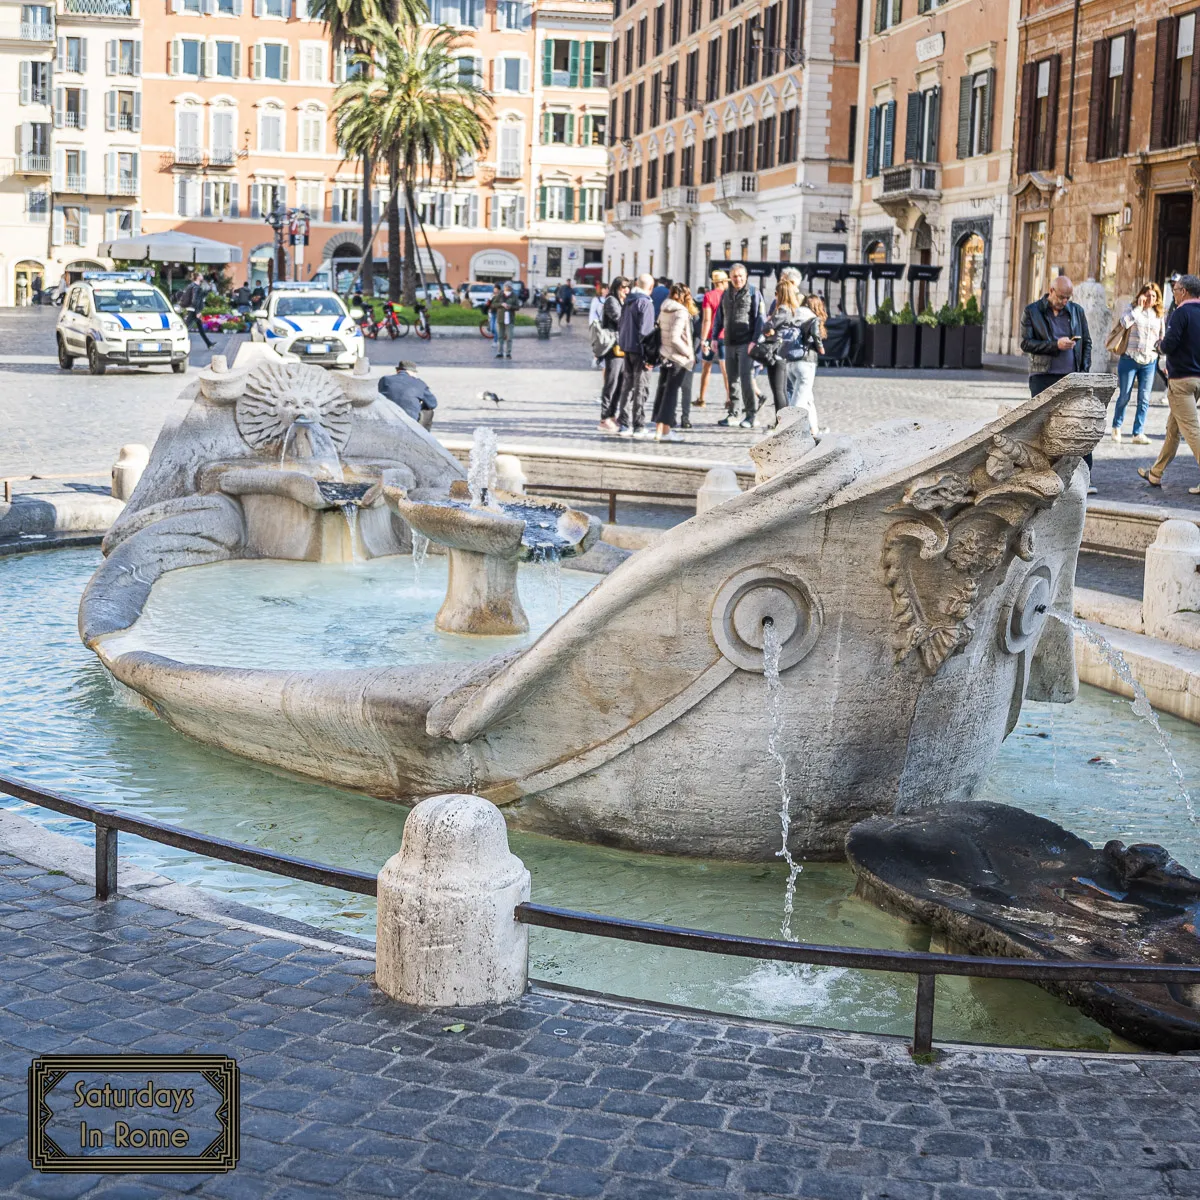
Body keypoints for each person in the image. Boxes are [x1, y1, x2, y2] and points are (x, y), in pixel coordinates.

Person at [1138, 274, 1200, 494]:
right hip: (1197, 380)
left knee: (1192, 430)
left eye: (1175, 290)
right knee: (1173, 429)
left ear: (1183, 291)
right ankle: (1156, 473)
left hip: (1181, 380)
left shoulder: (1181, 312)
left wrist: (1159, 346)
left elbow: (1170, 343)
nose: (1173, 294)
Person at [1111, 283, 1165, 445]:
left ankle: (1138, 432)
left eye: (1154, 296)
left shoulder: (1159, 315)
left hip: (1149, 360)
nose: (1150, 298)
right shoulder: (1132, 308)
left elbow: (1162, 336)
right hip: (1129, 359)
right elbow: (1124, 323)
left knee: (1144, 398)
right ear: (1141, 295)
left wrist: (1160, 354)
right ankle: (1116, 426)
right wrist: (1138, 309)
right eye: (1148, 295)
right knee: (1124, 395)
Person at [712, 262, 763, 428]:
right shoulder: (726, 293)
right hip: (729, 342)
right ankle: (733, 413)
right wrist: (714, 337)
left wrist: (754, 341)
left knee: (747, 380)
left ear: (746, 276)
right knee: (732, 379)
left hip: (746, 342)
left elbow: (759, 319)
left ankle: (751, 415)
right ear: (730, 278)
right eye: (734, 276)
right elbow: (720, 317)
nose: (738, 279)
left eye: (740, 276)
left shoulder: (754, 293)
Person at [652, 283, 698, 442]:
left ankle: (659, 429)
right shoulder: (681, 312)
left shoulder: (664, 308)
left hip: (664, 355)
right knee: (671, 395)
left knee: (663, 392)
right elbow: (675, 337)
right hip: (678, 358)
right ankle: (666, 431)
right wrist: (688, 354)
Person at [615, 273, 656, 438]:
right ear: (650, 288)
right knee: (641, 388)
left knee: (627, 387)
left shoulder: (628, 300)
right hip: (640, 351)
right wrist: (649, 356)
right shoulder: (645, 303)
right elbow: (646, 332)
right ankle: (639, 425)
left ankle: (624, 424)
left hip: (627, 348)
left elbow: (622, 325)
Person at [597, 277, 627, 433]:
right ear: (617, 287)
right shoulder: (611, 301)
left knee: (620, 383)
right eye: (623, 287)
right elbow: (619, 319)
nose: (626, 290)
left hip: (622, 347)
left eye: (628, 287)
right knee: (611, 382)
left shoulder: (621, 301)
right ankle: (604, 417)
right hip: (613, 348)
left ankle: (612, 415)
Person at [697, 269, 729, 410]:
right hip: (726, 336)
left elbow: (707, 320)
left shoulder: (708, 296)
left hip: (711, 336)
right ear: (723, 282)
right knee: (725, 370)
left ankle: (702, 398)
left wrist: (703, 339)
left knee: (706, 367)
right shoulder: (729, 296)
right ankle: (729, 399)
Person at [377, 361, 438, 428]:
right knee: (428, 411)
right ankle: (422, 435)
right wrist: (418, 405)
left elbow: (378, 396)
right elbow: (432, 404)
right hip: (410, 422)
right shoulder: (419, 383)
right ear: (412, 372)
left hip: (386, 418)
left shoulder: (385, 379)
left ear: (398, 371)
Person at [179, 271, 213, 349]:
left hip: (192, 308)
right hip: (193, 309)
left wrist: (208, 290)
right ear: (197, 277)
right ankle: (178, 342)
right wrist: (197, 311)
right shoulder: (196, 287)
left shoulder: (193, 286)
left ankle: (209, 343)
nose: (202, 276)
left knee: (200, 327)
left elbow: (200, 296)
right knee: (186, 327)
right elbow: (195, 300)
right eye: (201, 275)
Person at [490, 282, 520, 358]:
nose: (507, 288)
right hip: (500, 318)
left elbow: (517, 307)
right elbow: (493, 304)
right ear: (504, 287)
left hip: (510, 319)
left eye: (509, 287)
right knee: (500, 336)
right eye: (506, 286)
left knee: (509, 337)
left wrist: (510, 306)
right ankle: (500, 352)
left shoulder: (514, 295)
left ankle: (508, 353)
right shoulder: (500, 294)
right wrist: (501, 304)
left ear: (511, 287)